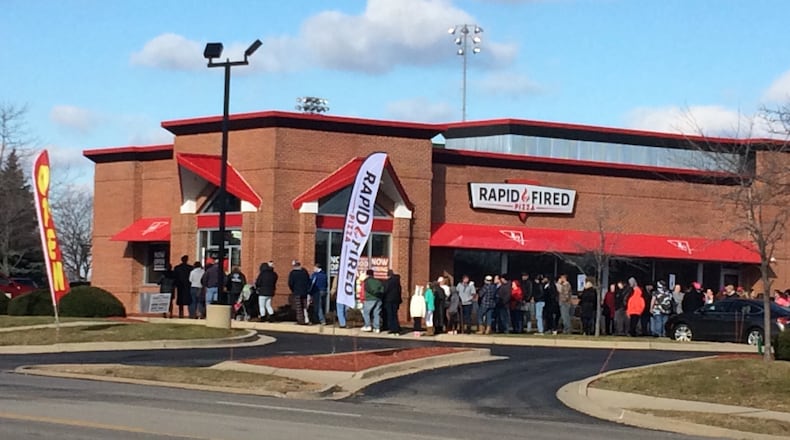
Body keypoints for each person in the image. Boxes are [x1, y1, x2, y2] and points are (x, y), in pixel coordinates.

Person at [288, 261, 311, 325]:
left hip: (297, 292)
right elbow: (309, 282)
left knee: (298, 307)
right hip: (305, 292)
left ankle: (300, 320)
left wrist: (293, 290)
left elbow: (290, 283)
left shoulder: (293, 273)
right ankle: (307, 319)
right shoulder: (304, 272)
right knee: (305, 306)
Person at [383, 269, 403, 334]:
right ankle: (397, 327)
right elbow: (399, 292)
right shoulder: (397, 282)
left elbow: (385, 290)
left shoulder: (388, 282)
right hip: (396, 300)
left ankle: (392, 328)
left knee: (390, 314)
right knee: (395, 314)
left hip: (389, 300)